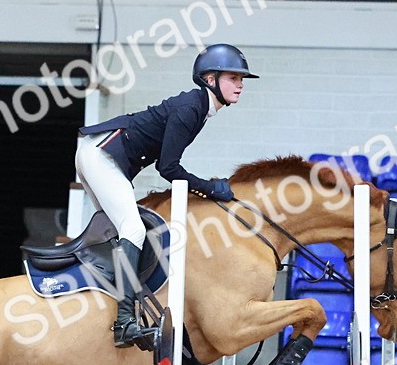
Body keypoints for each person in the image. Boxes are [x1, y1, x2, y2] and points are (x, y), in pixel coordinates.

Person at [74, 43, 259, 349]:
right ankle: (123, 322)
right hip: (101, 154)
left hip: (99, 153)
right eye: (232, 78)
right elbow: (168, 167)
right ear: (210, 79)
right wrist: (212, 189)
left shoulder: (199, 108)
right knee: (132, 230)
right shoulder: (191, 109)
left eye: (241, 79)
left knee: (122, 232)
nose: (240, 84)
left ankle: (105, 305)